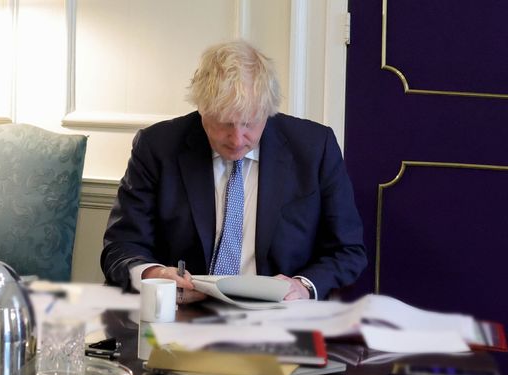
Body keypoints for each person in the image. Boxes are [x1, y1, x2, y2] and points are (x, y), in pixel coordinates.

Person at [101, 39, 366, 303]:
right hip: (184, 313)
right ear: (202, 109)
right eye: (224, 124)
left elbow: (347, 250)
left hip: (278, 317)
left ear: (268, 110)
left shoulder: (314, 148)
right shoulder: (158, 147)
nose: (238, 139)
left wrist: (304, 286)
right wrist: (155, 275)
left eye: (250, 123)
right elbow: (121, 246)